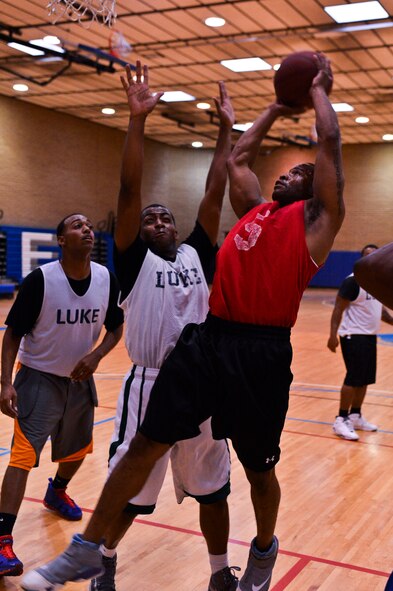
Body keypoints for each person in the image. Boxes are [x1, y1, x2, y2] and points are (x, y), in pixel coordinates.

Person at [21, 52, 344, 591]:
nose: (284, 173)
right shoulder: (254, 212)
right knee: (143, 446)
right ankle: (90, 552)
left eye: (297, 172)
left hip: (260, 351)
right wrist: (266, 109)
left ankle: (260, 550)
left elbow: (327, 147)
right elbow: (236, 162)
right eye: (284, 170)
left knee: (254, 473)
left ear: (314, 192)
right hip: (205, 345)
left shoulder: (312, 224)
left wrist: (314, 92)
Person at [87, 61, 236, 591]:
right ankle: (103, 557)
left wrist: (225, 131)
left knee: (213, 490)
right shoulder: (132, 260)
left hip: (202, 386)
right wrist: (136, 122)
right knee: (129, 490)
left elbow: (215, 189)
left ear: (176, 227)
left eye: (164, 217)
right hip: (150, 385)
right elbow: (129, 192)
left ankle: (221, 572)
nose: (156, 221)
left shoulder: (198, 250)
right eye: (149, 218)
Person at [0, 213, 123, 578]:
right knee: (22, 457)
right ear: (61, 240)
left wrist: (96, 355)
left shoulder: (106, 278)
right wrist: (5, 383)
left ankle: (58, 491)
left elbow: (116, 328)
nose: (86, 229)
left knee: (77, 451)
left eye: (88, 225)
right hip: (38, 378)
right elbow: (12, 335)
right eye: (76, 226)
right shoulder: (41, 280)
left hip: (79, 379)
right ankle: (3, 538)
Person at [328, 244, 393, 441]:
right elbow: (338, 309)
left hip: (369, 335)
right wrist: (332, 335)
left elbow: (379, 311)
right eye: (367, 256)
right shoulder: (352, 282)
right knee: (353, 378)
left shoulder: (376, 283)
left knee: (365, 379)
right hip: (352, 335)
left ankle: (355, 415)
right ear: (361, 260)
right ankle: (341, 419)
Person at [354, 241, 393, 309]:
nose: (370, 258)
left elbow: (378, 308)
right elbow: (339, 308)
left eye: (373, 255)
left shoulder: (382, 279)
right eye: (368, 254)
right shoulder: (352, 281)